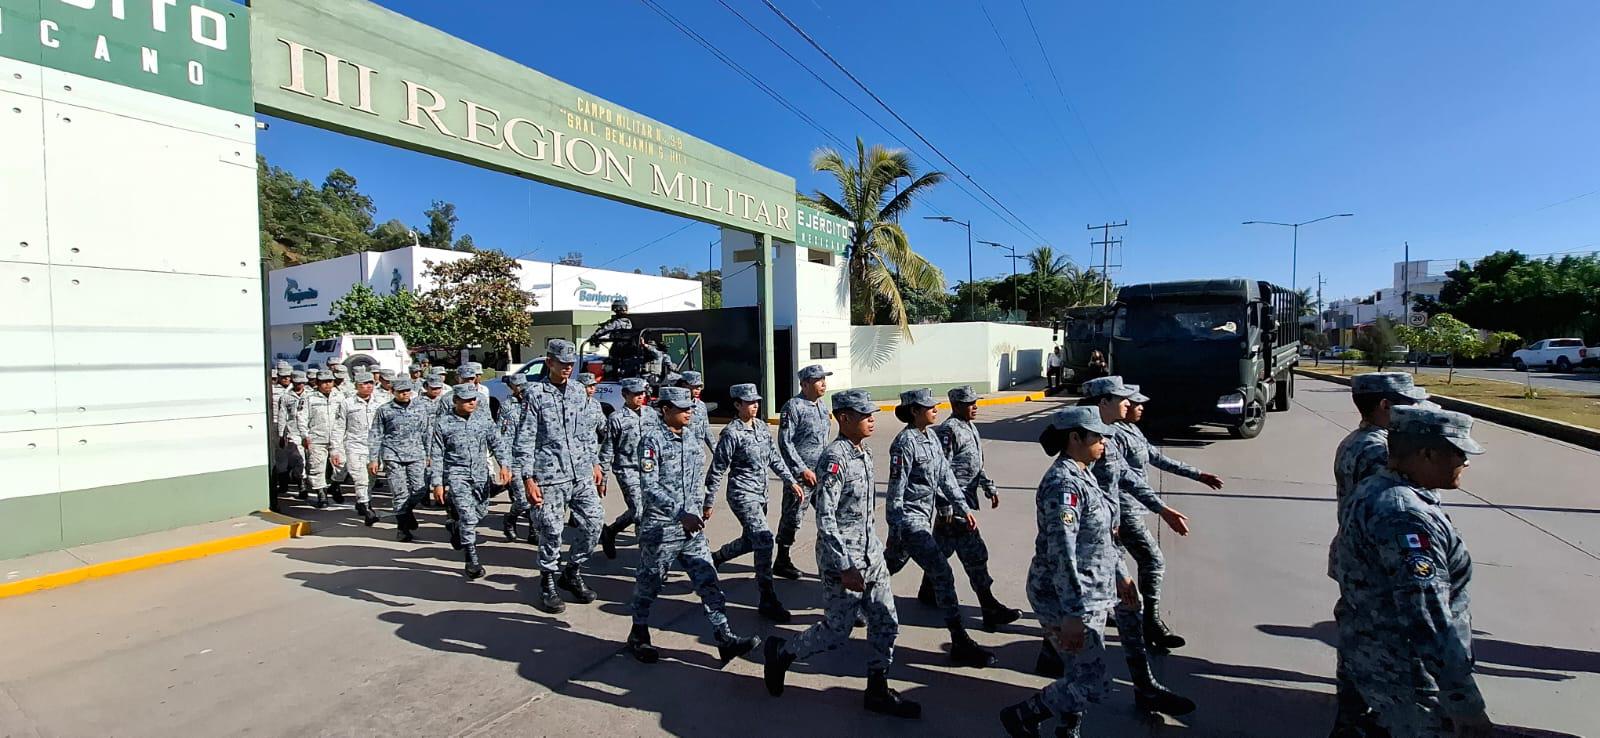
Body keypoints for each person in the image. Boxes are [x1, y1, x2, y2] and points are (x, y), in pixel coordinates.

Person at [1335, 406, 1492, 737]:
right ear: (1428, 454)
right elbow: (1428, 618)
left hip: (1373, 661)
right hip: (1407, 678)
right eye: (1459, 452)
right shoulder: (1406, 516)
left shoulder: (1377, 489)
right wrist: (1465, 704)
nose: (1466, 461)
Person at [764, 389, 920, 720]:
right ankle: (782, 653)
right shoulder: (835, 459)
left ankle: (877, 689)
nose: (872, 419)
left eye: (872, 414)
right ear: (844, 418)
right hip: (844, 559)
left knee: (886, 622)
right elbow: (825, 517)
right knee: (837, 630)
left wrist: (877, 549)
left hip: (871, 554)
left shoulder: (863, 453)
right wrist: (845, 565)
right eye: (865, 415)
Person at [1000, 406, 1120, 737]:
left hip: (1088, 592)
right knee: (1093, 682)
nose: (1103, 444)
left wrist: (1120, 578)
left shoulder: (1083, 473)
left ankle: (1069, 728)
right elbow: (1062, 553)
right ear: (1075, 438)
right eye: (1097, 437)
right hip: (1065, 596)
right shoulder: (1062, 485)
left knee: (1078, 670)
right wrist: (1071, 614)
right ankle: (1024, 715)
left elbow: (1100, 537)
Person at [625, 386, 761, 667]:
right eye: (682, 408)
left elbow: (698, 478)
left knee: (709, 581)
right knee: (649, 584)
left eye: (690, 407)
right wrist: (680, 513)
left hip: (692, 529)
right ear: (665, 410)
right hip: (661, 529)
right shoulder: (651, 441)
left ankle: (724, 638)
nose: (689, 412)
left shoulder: (691, 437)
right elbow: (649, 488)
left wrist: (703, 504)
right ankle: (638, 633)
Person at [1328, 372, 1432, 736]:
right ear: (1386, 405)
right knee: (1385, 645)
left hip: (1355, 557)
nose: (1415, 410)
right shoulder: (1378, 451)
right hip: (1377, 564)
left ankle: (1350, 719)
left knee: (1357, 638)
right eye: (1408, 404)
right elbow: (1388, 512)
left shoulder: (1356, 441)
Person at [883, 388, 997, 668]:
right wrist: (894, 531)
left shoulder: (931, 437)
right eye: (928, 406)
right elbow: (895, 492)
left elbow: (946, 478)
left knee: (886, 568)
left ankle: (851, 600)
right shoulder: (904, 444)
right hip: (910, 520)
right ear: (913, 411)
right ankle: (959, 640)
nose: (935, 409)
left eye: (935, 406)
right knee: (942, 574)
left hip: (924, 516)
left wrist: (963, 508)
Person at [1080, 376, 1193, 651]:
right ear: (1104, 402)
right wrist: (1109, 522)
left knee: (1109, 590)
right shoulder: (1090, 439)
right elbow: (1088, 487)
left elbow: (1128, 476)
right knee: (1104, 587)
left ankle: (1143, 646)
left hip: (1112, 521)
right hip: (1098, 528)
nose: (1130, 404)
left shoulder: (1110, 435)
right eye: (1123, 399)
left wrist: (1162, 508)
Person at [1117, 383, 1225, 649]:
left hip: (1133, 508)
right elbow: (1126, 479)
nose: (1140, 407)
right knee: (1152, 560)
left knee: (1109, 566)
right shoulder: (1111, 437)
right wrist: (1162, 510)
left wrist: (1197, 474)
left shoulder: (1132, 430)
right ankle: (1150, 622)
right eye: (1135, 403)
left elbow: (1156, 457)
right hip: (1122, 510)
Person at [515, 339, 606, 614]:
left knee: (594, 522)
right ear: (549, 363)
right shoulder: (535, 394)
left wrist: (595, 461)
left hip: (580, 472)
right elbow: (525, 438)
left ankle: (572, 571)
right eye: (562, 364)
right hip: (549, 474)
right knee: (551, 531)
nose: (567, 369)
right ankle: (548, 583)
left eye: (570, 364)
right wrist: (527, 478)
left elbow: (586, 431)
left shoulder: (579, 391)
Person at [706, 383, 804, 622]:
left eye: (756, 402)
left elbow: (774, 457)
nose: (755, 406)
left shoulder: (760, 427)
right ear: (737, 405)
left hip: (761, 493)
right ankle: (767, 598)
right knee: (763, 539)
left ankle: (716, 558)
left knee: (752, 540)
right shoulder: (731, 433)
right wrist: (708, 503)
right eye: (749, 403)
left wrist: (790, 481)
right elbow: (717, 469)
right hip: (741, 494)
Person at [931, 386, 1022, 631]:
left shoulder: (970, 427)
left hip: (964, 501)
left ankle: (928, 591)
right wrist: (945, 505)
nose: (975, 406)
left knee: (938, 552)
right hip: (955, 505)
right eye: (969, 403)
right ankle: (989, 607)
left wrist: (988, 486)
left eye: (975, 402)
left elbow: (975, 463)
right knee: (975, 555)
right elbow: (940, 470)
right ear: (956, 405)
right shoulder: (949, 431)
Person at [428, 384, 513, 579]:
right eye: (466, 400)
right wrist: (438, 484)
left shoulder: (483, 419)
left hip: (480, 474)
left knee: (480, 512)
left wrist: (505, 466)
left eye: (473, 399)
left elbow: (497, 443)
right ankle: (471, 559)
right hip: (457, 475)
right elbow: (437, 455)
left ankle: (456, 526)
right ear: (455, 401)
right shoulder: (443, 423)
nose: (471, 402)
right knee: (468, 516)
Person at [774, 364, 832, 580]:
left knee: (829, 515)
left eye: (824, 379)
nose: (823, 383)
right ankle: (782, 559)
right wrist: (801, 470)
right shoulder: (793, 406)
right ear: (805, 384)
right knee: (792, 517)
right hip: (801, 477)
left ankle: (831, 561)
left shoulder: (821, 406)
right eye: (818, 380)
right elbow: (785, 443)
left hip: (822, 474)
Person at [370, 378, 430, 541]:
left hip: (416, 454)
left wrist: (429, 454)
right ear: (393, 392)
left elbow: (426, 432)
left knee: (420, 489)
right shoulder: (384, 410)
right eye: (401, 391)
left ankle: (407, 510)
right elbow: (376, 434)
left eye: (407, 391)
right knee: (399, 493)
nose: (405, 394)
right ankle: (402, 528)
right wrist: (374, 459)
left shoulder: (420, 408)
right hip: (393, 455)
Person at [599, 378, 651, 558]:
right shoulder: (616, 418)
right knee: (639, 512)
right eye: (635, 394)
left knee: (647, 509)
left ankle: (611, 531)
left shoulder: (651, 414)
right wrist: (602, 478)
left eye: (642, 393)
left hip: (649, 469)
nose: (640, 397)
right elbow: (607, 449)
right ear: (624, 395)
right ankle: (648, 558)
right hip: (627, 469)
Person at [332, 371, 382, 526]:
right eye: (364, 384)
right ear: (356, 386)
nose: (368, 387)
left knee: (371, 478)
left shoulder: (380, 402)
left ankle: (363, 501)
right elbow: (339, 427)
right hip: (354, 445)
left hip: (374, 447)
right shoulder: (347, 403)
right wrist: (335, 449)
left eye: (370, 383)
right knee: (360, 478)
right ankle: (368, 509)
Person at [499, 374, 536, 543]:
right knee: (522, 500)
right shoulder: (508, 407)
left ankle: (534, 531)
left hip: (536, 459)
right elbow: (504, 438)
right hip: (516, 459)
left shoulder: (535, 403)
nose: (522, 390)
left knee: (536, 499)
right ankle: (510, 518)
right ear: (512, 388)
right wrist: (504, 465)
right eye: (518, 387)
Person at [297, 370, 341, 509]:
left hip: (337, 437)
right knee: (317, 467)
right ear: (317, 383)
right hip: (316, 438)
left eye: (330, 381)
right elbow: (301, 417)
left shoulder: (340, 397)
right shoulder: (309, 398)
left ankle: (335, 485)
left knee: (342, 465)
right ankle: (321, 494)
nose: (327, 384)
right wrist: (305, 435)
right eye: (324, 382)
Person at [277, 370, 310, 498]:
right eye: (297, 382)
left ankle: (310, 482)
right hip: (293, 432)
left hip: (310, 431)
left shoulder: (311, 395)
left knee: (310, 460)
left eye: (302, 383)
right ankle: (302, 484)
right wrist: (281, 434)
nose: (300, 385)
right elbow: (282, 416)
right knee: (299, 458)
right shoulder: (286, 397)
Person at [675, 371, 715, 450]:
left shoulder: (701, 405)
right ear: (684, 385)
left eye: (700, 386)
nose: (698, 389)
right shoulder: (675, 406)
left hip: (698, 453)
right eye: (695, 386)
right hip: (681, 451)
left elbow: (706, 429)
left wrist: (715, 450)